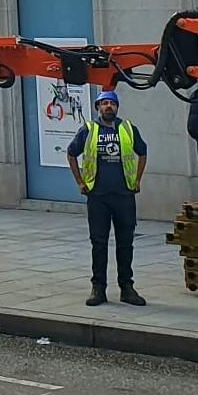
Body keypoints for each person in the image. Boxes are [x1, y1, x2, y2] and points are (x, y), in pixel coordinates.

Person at [66, 89, 149, 307]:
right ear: (97, 108)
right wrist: (80, 182)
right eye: (103, 104)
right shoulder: (89, 130)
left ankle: (127, 288)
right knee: (99, 243)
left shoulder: (128, 129)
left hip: (124, 195)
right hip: (98, 196)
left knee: (126, 243)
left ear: (117, 107)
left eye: (111, 103)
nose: (107, 107)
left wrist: (137, 180)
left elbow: (142, 152)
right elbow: (71, 153)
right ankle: (98, 288)